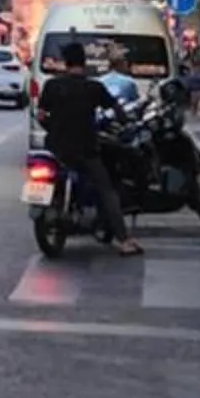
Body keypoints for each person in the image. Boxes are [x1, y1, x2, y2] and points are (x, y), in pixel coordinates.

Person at [37, 40, 139, 254]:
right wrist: (126, 121)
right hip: (85, 149)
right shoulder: (94, 87)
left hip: (55, 148)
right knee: (107, 190)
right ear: (83, 62)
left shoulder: (52, 86)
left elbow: (41, 115)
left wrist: (53, 128)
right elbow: (117, 110)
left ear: (65, 62)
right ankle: (123, 240)